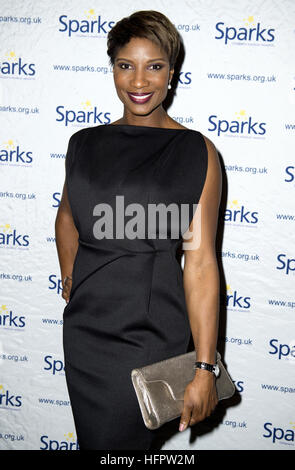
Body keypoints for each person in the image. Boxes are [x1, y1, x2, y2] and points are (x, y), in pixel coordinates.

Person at [55, 9, 222, 450]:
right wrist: (71, 277)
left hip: (149, 334)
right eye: (126, 65)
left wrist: (205, 369)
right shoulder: (84, 143)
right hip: (86, 335)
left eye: (155, 66)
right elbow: (68, 216)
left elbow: (201, 263)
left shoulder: (195, 151)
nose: (139, 81)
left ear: (173, 72)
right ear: (112, 68)